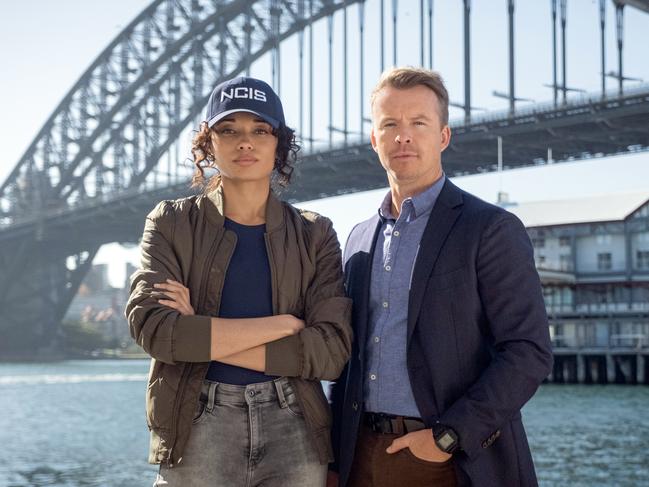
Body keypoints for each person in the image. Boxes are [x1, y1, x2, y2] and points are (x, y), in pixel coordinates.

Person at [328, 67, 553, 487]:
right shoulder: (358, 238)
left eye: (419, 123)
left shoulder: (489, 228)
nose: (404, 136)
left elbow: (528, 351)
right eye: (390, 124)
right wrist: (333, 458)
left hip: (453, 460)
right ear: (374, 140)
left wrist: (448, 436)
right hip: (360, 455)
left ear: (444, 136)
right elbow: (347, 358)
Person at [126, 76, 352, 487]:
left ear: (278, 145)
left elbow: (331, 353)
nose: (244, 142)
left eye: (259, 130)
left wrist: (200, 334)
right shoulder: (171, 223)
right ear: (208, 144)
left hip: (295, 425)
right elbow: (156, 331)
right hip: (196, 423)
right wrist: (284, 325)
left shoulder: (315, 234)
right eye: (228, 130)